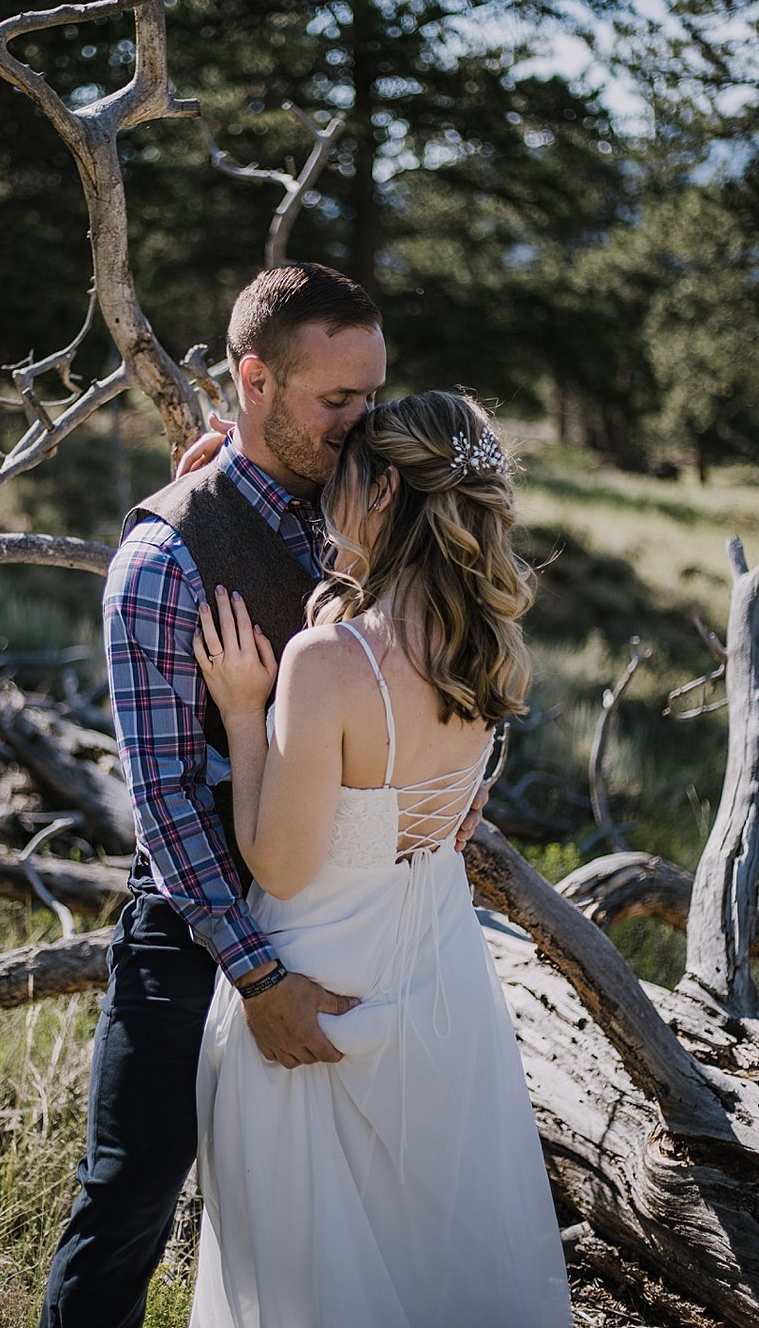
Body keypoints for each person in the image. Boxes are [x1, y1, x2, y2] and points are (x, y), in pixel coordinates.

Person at [39, 265, 487, 1328]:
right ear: (253, 381)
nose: (362, 423)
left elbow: (449, 659)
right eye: (337, 402)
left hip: (355, 918)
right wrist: (255, 972)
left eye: (371, 396)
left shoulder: (375, 504)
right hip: (204, 926)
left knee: (358, 1203)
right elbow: (165, 802)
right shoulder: (163, 559)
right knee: (133, 1188)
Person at [188, 391, 573, 1328]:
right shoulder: (486, 646)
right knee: (430, 1249)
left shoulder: (328, 662)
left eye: (344, 478)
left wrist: (245, 709)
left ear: (383, 489)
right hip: (440, 987)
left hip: (316, 989)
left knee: (313, 1277)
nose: (326, 500)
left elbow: (279, 865)